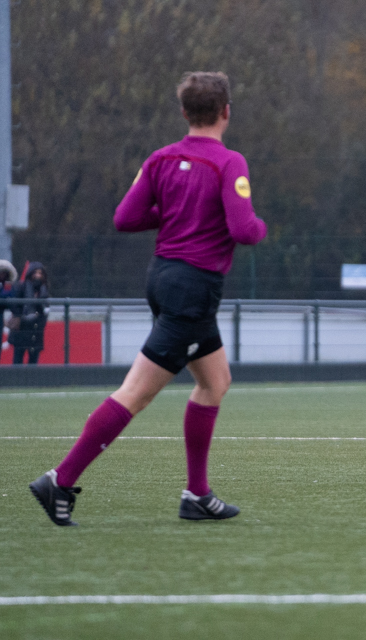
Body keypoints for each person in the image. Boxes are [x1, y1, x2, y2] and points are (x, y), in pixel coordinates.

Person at [29, 71, 268, 526]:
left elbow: (126, 217)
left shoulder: (161, 158)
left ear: (184, 113)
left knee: (214, 381)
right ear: (226, 112)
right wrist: (259, 226)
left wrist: (176, 213)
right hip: (194, 289)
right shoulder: (229, 162)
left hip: (163, 278)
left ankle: (197, 495)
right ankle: (60, 480)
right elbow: (243, 229)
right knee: (135, 393)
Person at [8, 262, 50, 365]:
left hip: (36, 330)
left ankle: (31, 381)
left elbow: (45, 309)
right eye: (35, 272)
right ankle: (16, 381)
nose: (38, 275)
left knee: (33, 360)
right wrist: (21, 317)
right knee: (18, 359)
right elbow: (14, 305)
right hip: (22, 329)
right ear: (30, 273)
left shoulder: (44, 290)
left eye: (40, 273)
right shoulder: (21, 287)